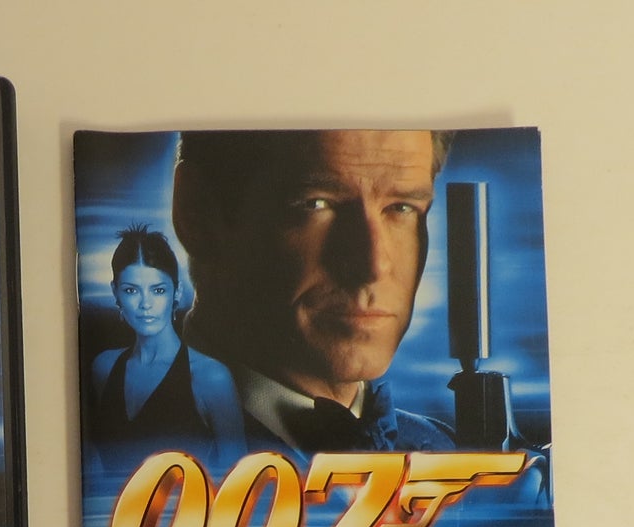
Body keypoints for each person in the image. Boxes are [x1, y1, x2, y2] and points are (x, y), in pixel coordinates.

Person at [171, 128, 458, 452]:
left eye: (402, 207)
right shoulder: (137, 446)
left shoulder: (443, 449)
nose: (374, 266)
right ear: (195, 214)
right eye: (315, 203)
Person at [87, 226, 244, 473]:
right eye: (131, 290)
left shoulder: (211, 377)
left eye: (158, 290)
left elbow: (238, 484)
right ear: (115, 292)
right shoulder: (103, 368)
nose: (145, 304)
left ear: (177, 292)